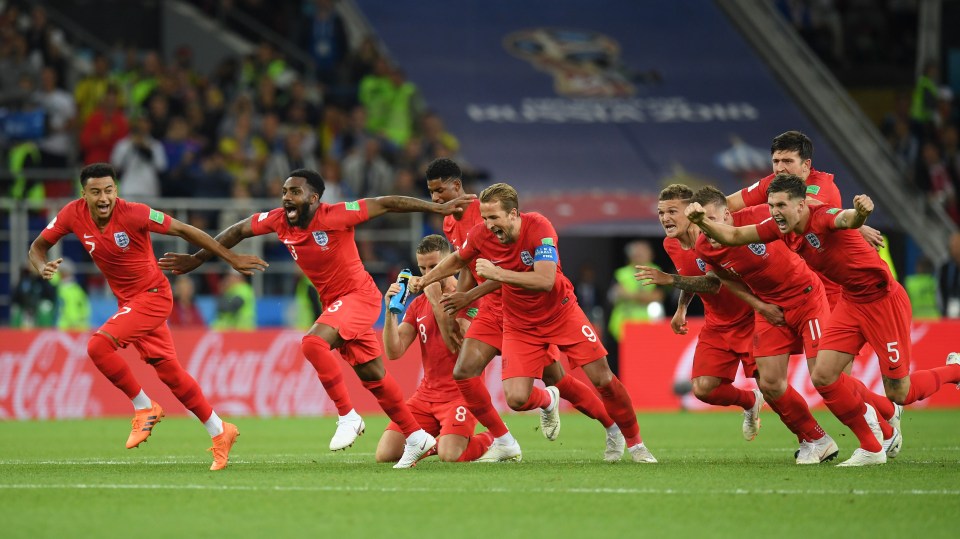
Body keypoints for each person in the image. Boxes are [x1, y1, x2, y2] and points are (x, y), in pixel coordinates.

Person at [159, 168, 476, 469]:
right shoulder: (278, 220)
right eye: (284, 191)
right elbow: (239, 230)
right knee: (374, 376)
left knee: (312, 343)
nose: (286, 198)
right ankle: (417, 436)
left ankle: (347, 416)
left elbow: (387, 203)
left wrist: (437, 208)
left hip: (359, 297)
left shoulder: (336, 215)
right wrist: (199, 259)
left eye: (295, 192)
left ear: (314, 198)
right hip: (335, 304)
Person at [686, 173, 960, 466]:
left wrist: (861, 214)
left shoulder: (820, 217)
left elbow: (844, 219)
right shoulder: (780, 228)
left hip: (882, 300)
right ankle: (871, 446)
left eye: (781, 205)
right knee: (823, 377)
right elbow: (735, 236)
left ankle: (954, 370)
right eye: (772, 205)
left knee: (900, 392)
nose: (775, 212)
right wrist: (702, 222)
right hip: (851, 300)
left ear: (801, 205)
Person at [28, 163, 268, 470]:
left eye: (109, 190)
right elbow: (37, 248)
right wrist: (41, 266)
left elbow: (184, 229)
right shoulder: (71, 214)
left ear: (117, 190)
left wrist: (230, 257)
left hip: (153, 297)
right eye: (96, 192)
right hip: (129, 302)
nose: (104, 198)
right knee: (170, 373)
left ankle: (144, 407)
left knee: (98, 347)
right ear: (84, 194)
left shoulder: (134, 212)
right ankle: (220, 430)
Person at [412, 183, 657, 463]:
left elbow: (544, 280)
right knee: (515, 398)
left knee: (603, 379)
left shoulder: (539, 227)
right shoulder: (478, 233)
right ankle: (516, 430)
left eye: (494, 218)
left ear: (514, 214)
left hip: (560, 313)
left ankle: (634, 443)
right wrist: (426, 280)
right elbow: (457, 260)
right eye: (485, 218)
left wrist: (497, 274)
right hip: (518, 322)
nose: (488, 225)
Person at [635, 185, 764, 443]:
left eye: (673, 211)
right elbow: (689, 275)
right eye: (661, 212)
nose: (665, 218)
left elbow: (713, 282)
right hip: (717, 324)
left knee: (772, 386)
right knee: (703, 389)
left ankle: (811, 439)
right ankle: (750, 401)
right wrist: (681, 308)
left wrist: (668, 279)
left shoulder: (711, 237)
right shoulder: (671, 244)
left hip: (750, 318)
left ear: (692, 211)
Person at [376, 234, 495, 463]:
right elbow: (394, 351)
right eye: (422, 268)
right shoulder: (418, 304)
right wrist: (390, 312)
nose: (427, 274)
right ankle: (431, 445)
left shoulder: (468, 296)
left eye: (434, 266)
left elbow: (458, 345)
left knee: (450, 456)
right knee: (385, 454)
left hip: (461, 395)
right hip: (426, 396)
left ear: (451, 261)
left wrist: (436, 300)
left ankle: (492, 437)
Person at [54, 258, 91, 331]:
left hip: (77, 327)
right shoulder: (56, 287)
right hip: (63, 326)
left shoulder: (77, 289)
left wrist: (81, 320)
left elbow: (84, 307)